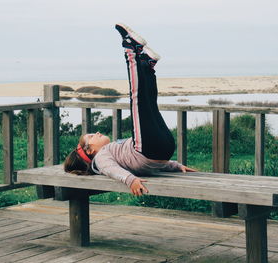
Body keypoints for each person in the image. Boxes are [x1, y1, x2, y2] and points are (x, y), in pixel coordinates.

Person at [64, 23, 196, 196]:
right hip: (147, 150)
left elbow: (151, 165)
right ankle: (131, 50)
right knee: (137, 99)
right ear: (90, 150)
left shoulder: (114, 152)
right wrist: (130, 180)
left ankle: (147, 67)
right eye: (91, 136)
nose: (95, 132)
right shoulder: (101, 158)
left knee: (149, 102)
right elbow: (111, 170)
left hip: (159, 149)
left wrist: (175, 166)